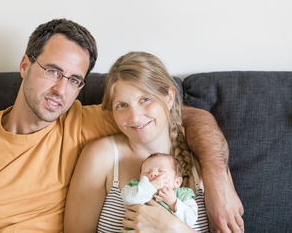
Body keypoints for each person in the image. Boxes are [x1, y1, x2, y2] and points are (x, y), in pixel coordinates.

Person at [0, 19, 243, 232]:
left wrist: (215, 176)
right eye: (52, 70)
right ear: (25, 65)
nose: (59, 89)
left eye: (74, 79)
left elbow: (181, 116)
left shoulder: (85, 121)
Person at [64, 52, 241, 232]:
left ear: (169, 97)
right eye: (122, 105)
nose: (135, 117)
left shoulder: (205, 157)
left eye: (145, 99)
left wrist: (173, 228)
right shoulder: (101, 156)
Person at [122, 153, 198, 227]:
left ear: (177, 182)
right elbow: (127, 199)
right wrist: (150, 186)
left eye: (161, 171)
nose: (152, 174)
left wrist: (174, 203)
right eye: (147, 172)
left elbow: (190, 220)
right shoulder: (135, 187)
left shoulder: (182, 194)